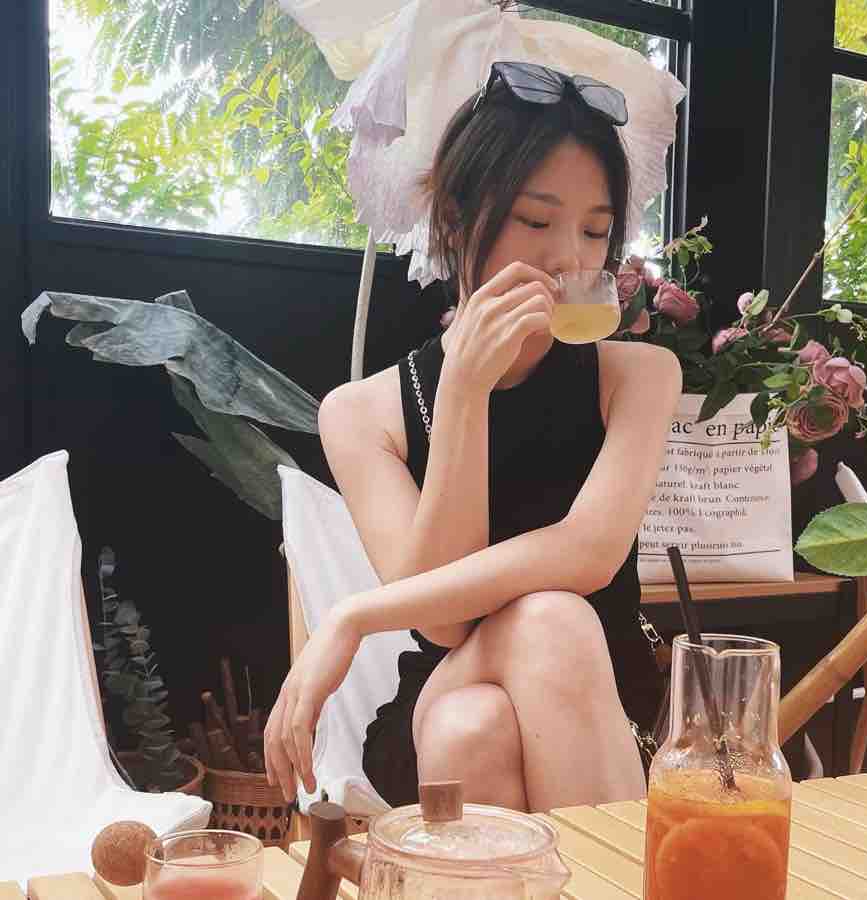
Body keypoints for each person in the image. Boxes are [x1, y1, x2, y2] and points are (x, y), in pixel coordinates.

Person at [264, 62, 682, 813]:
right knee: (534, 633)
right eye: (536, 221)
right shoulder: (361, 413)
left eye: (595, 230)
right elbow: (445, 623)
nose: (570, 257)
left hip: (600, 696)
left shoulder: (638, 376)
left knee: (478, 722)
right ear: (457, 221)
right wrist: (463, 390)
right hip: (442, 681)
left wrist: (355, 615)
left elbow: (587, 553)